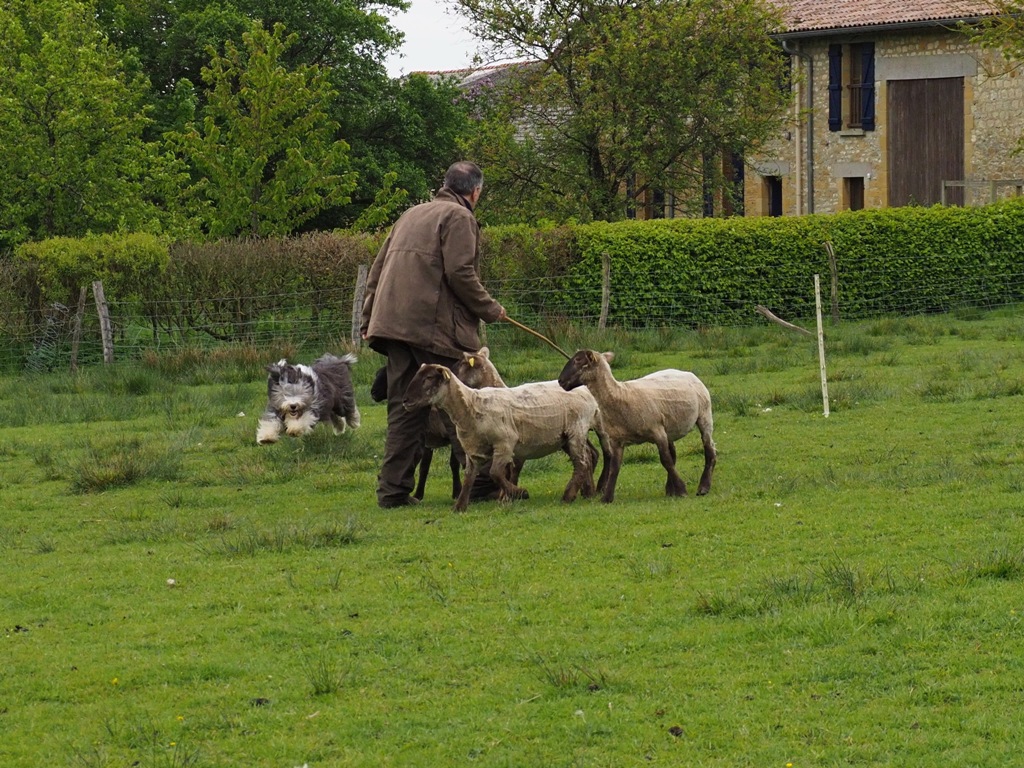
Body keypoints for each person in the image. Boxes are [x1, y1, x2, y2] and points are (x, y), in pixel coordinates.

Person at [360, 161, 506, 508]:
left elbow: (377, 271)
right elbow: (460, 273)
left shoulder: (411, 214)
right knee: (461, 406)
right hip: (434, 328)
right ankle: (483, 484)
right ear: (475, 192)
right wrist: (490, 309)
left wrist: (368, 319)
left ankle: (392, 492)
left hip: (394, 326)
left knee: (404, 408)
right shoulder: (460, 218)